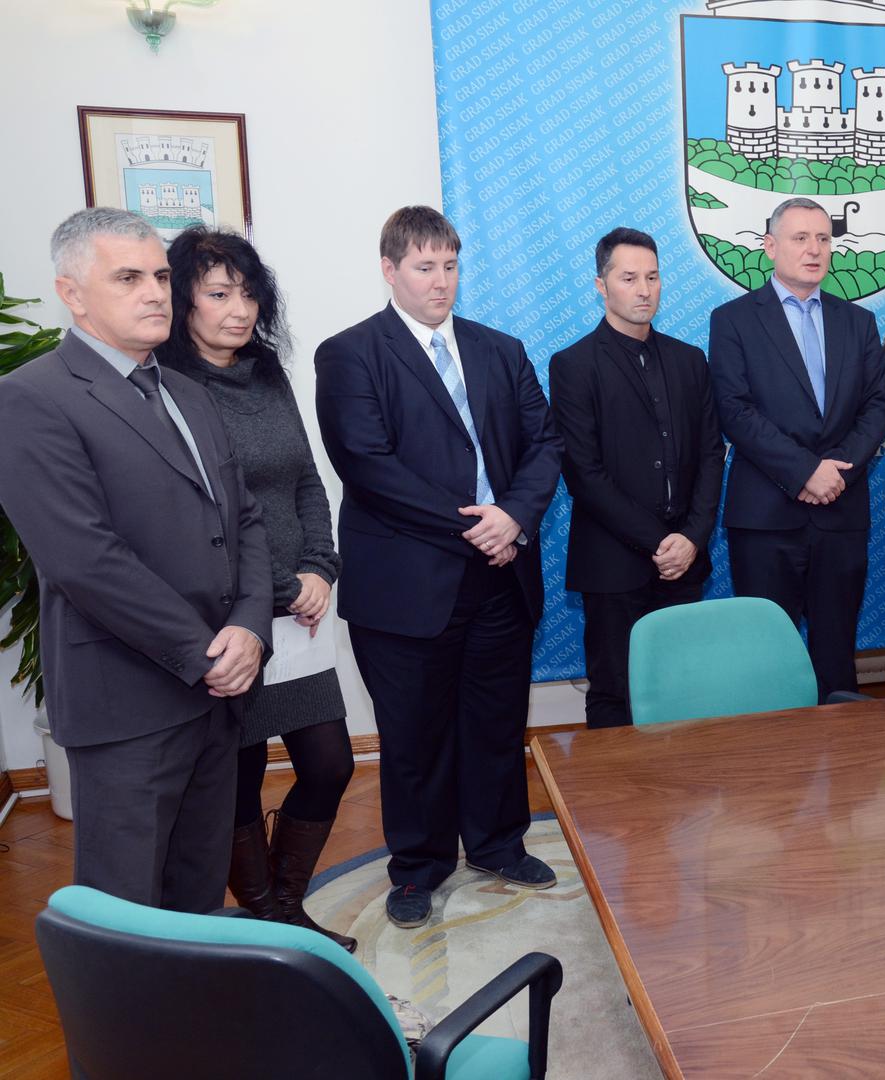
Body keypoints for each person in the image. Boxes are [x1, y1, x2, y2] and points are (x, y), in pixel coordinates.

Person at [0, 208, 271, 912]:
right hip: (129, 702)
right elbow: (85, 560)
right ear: (72, 293)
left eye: (159, 276)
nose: (155, 293)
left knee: (197, 900)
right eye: (128, 278)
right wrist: (206, 654)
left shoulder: (188, 393)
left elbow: (242, 519)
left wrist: (249, 627)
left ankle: (195, 993)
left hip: (218, 697)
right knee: (126, 915)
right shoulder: (29, 399)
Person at [314, 206, 564, 929]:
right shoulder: (351, 354)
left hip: (502, 574)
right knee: (414, 737)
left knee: (495, 724)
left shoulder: (500, 349)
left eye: (450, 266)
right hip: (408, 585)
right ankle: (419, 868)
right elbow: (368, 466)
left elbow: (546, 443)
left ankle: (498, 844)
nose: (441, 281)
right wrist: (480, 526)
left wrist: (514, 516)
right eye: (425, 267)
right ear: (390, 270)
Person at [158, 226, 354, 949]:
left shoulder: (267, 371)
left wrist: (320, 568)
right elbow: (202, 514)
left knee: (330, 765)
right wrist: (278, 585)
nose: (237, 310)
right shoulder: (167, 387)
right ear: (183, 303)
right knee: (237, 780)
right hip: (232, 613)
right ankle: (268, 914)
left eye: (246, 294)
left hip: (301, 607)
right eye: (218, 294)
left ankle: (284, 901)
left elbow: (305, 478)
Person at [708, 197, 885, 700]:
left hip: (840, 513)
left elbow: (878, 407)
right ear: (770, 246)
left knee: (836, 656)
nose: (815, 249)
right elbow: (734, 410)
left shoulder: (858, 322)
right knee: (766, 658)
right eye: (800, 238)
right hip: (766, 517)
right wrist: (806, 471)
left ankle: (842, 751)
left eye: (823, 239)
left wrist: (836, 475)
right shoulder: (733, 320)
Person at [548, 228, 725, 728]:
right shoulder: (573, 365)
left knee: (681, 691)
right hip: (614, 564)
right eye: (629, 278)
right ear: (601, 286)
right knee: (615, 693)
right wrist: (660, 542)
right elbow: (584, 474)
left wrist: (691, 538)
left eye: (652, 277)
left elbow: (712, 455)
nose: (644, 290)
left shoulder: (689, 361)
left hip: (684, 564)